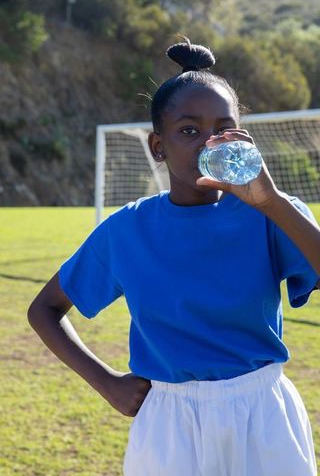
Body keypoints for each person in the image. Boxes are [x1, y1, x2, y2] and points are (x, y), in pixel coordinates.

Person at [28, 38, 320, 476]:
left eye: (223, 129)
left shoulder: (270, 214)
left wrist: (272, 201)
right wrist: (107, 383)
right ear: (158, 146)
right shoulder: (127, 230)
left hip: (263, 413)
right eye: (189, 130)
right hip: (168, 423)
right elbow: (45, 309)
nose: (209, 142)